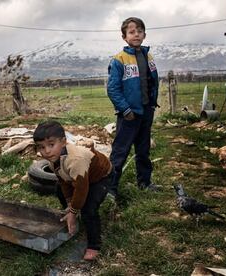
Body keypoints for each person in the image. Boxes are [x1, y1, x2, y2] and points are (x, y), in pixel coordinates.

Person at [33, 121, 113, 261]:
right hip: (79, 178)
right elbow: (64, 181)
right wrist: (70, 203)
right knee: (59, 190)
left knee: (89, 208)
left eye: (51, 144)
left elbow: (82, 189)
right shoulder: (53, 159)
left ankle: (94, 245)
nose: (46, 151)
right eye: (41, 147)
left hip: (100, 177)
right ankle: (71, 215)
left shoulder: (76, 160)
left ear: (63, 142)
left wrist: (75, 209)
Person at [107, 17, 160, 198]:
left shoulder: (148, 56)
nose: (136, 34)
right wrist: (125, 110)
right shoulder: (119, 60)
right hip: (129, 115)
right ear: (124, 37)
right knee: (120, 152)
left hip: (146, 112)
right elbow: (113, 89)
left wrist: (151, 106)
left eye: (139, 31)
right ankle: (110, 189)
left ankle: (144, 183)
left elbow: (151, 83)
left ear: (144, 34)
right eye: (131, 32)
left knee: (143, 151)